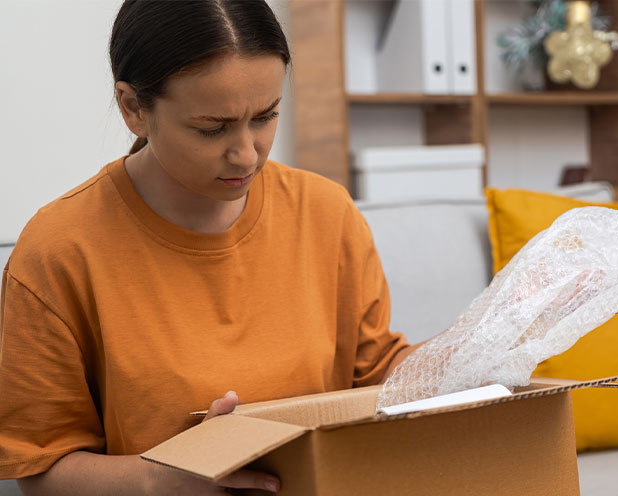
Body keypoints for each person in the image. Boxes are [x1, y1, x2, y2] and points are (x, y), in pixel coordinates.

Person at [0, 1, 416, 494]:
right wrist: (159, 479)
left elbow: (377, 380)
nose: (246, 154)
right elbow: (38, 471)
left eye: (265, 117)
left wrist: (486, 344)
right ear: (134, 108)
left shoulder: (327, 213)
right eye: (211, 128)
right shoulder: (60, 250)